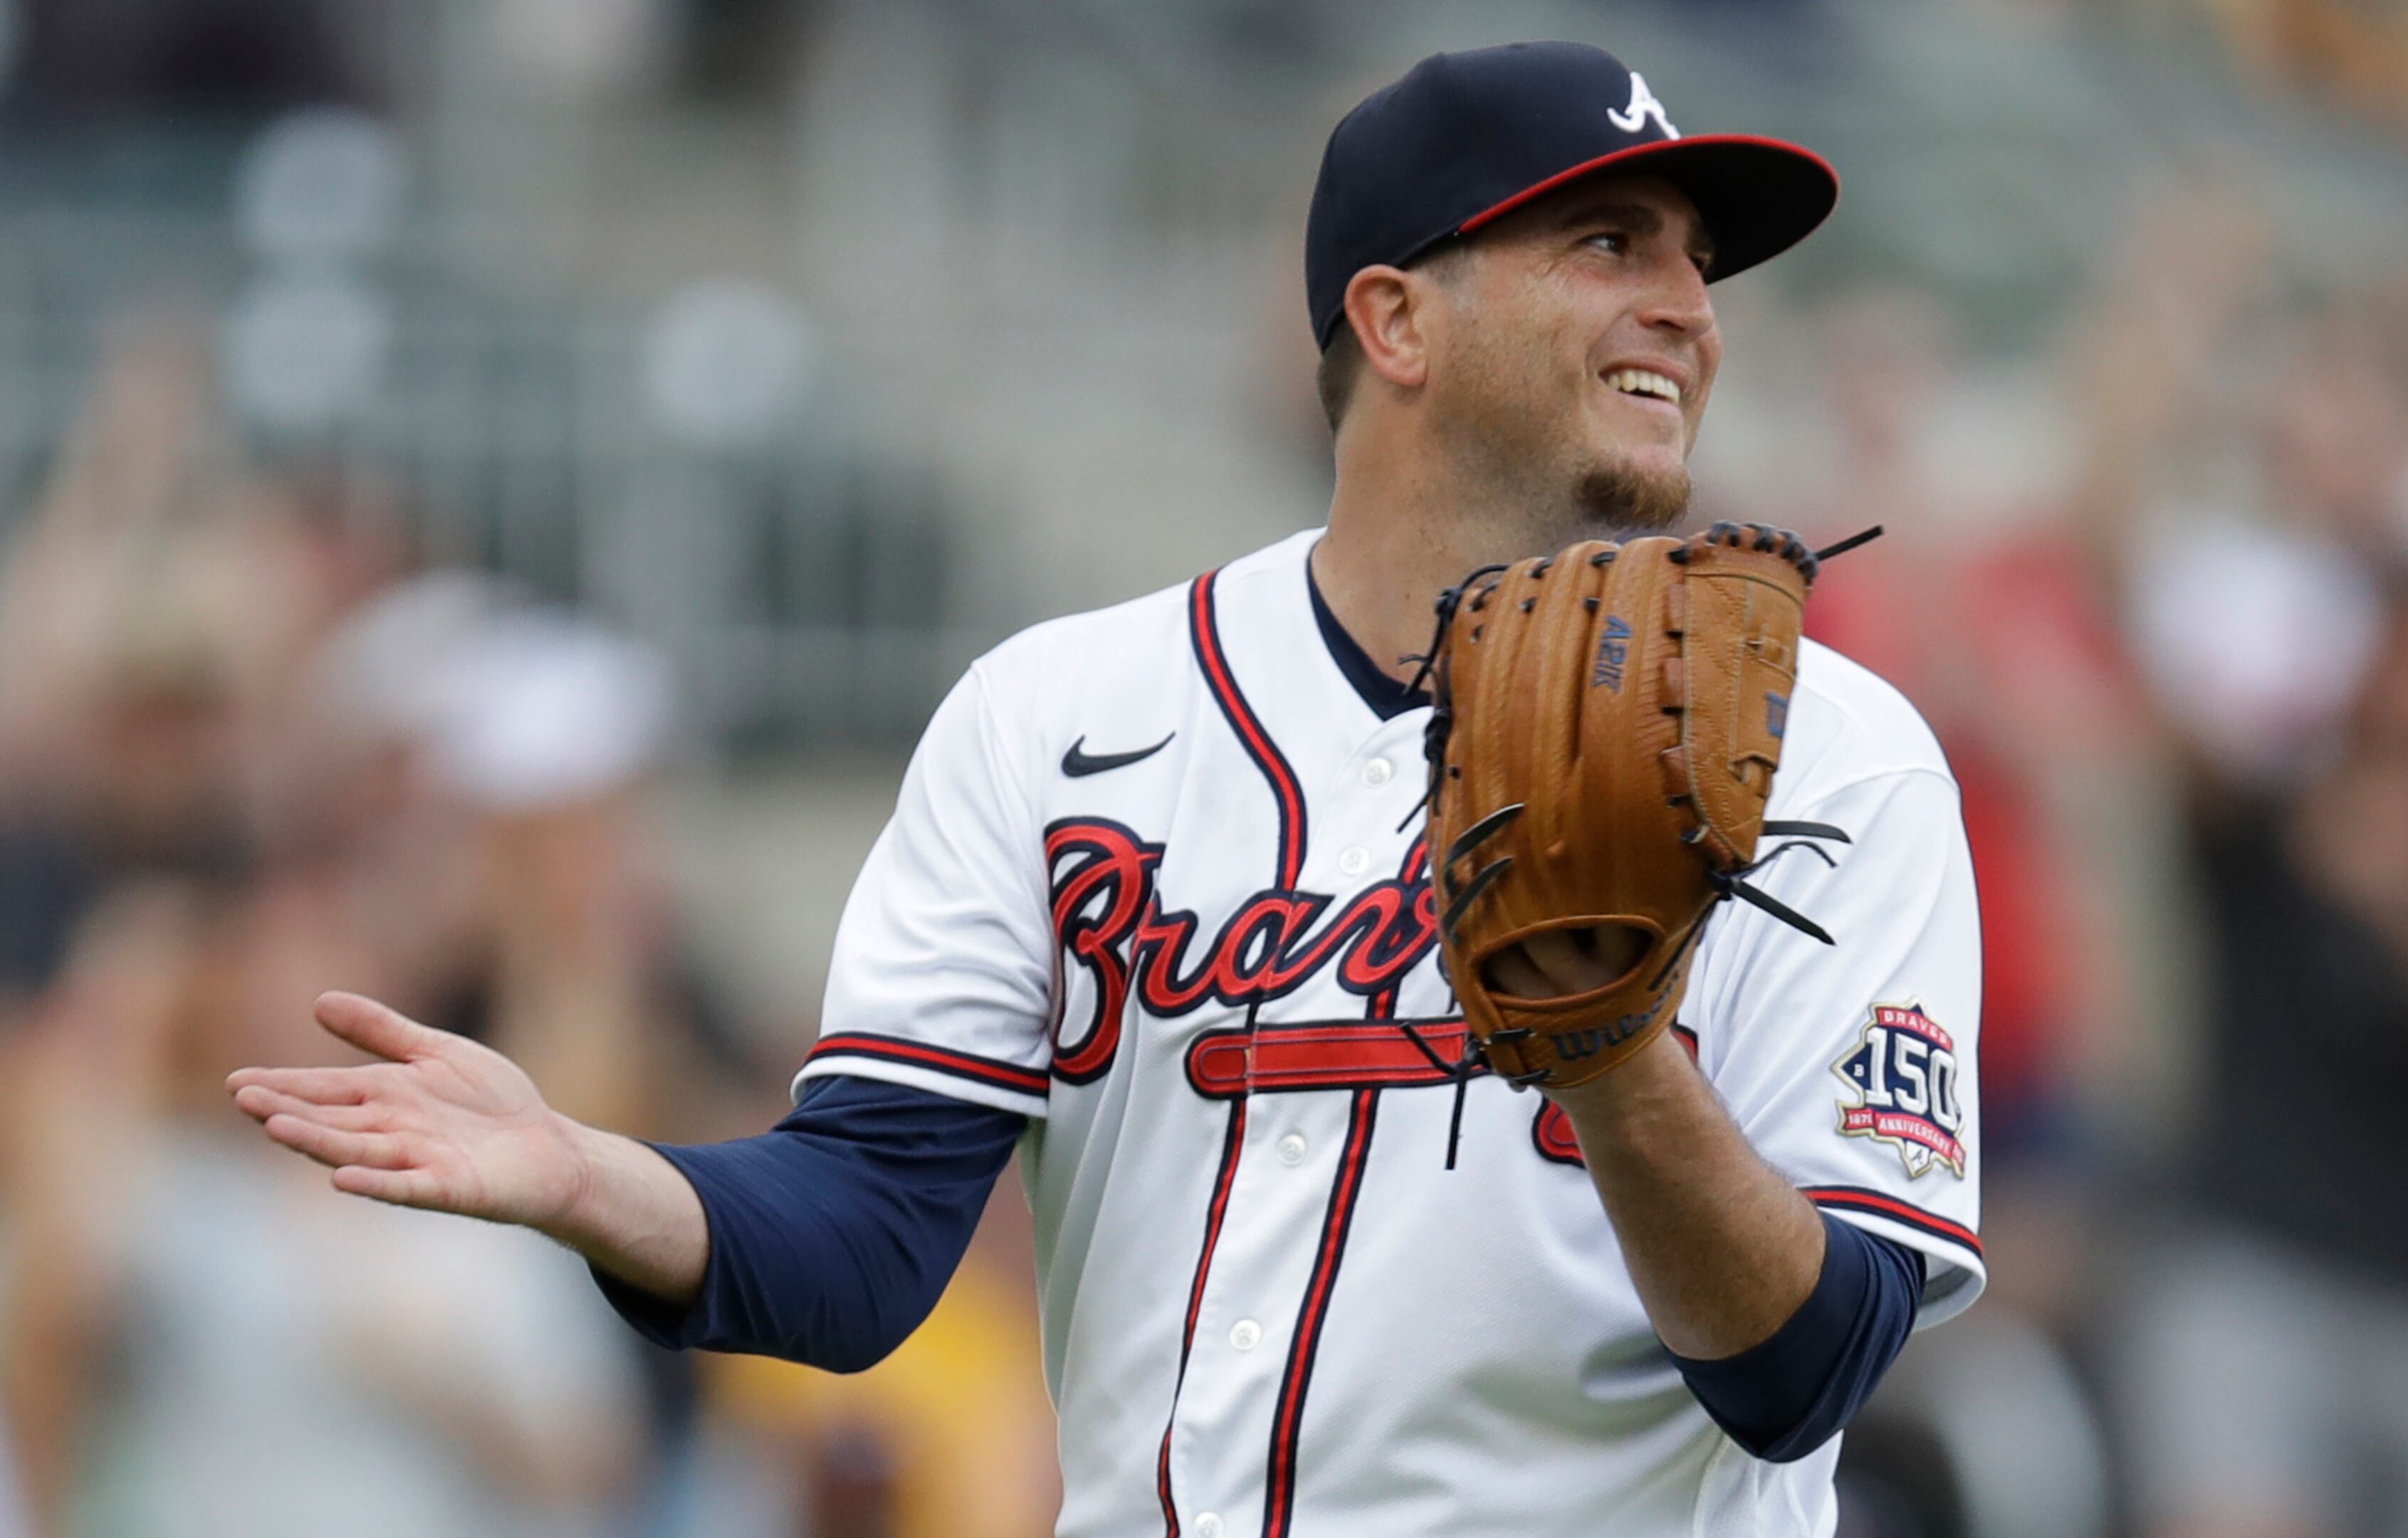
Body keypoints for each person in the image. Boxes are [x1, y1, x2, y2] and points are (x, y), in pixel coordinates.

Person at [226, 43, 1984, 1537]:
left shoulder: (1841, 765)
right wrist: (592, 1175)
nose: (1686, 306)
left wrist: (1614, 1059)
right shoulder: (1059, 714)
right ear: (1395, 318)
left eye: (1695, 262)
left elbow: (1805, 1373)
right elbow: (866, 1241)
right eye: (1610, 242)